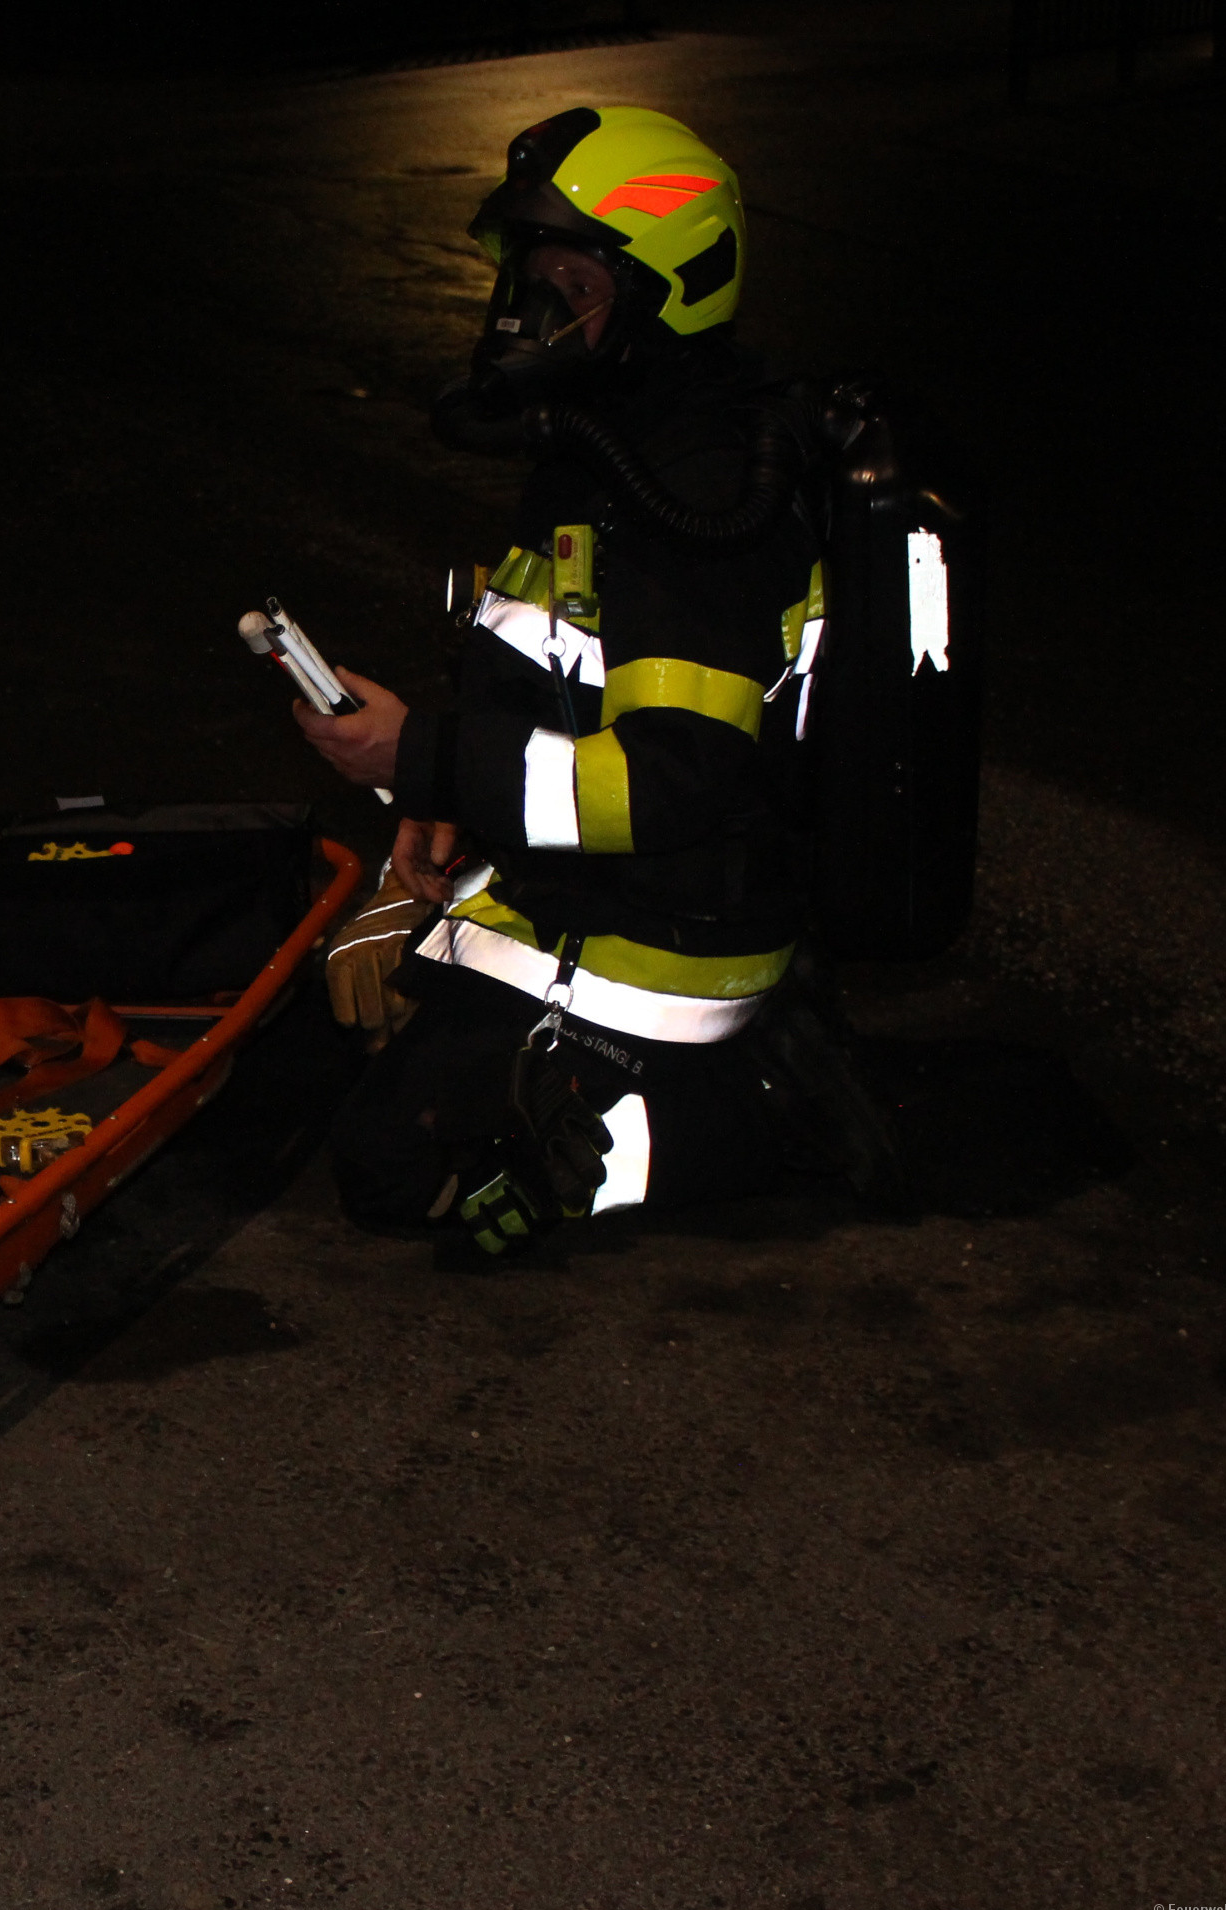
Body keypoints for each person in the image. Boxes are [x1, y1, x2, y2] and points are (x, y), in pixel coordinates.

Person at [298, 105, 879, 1256]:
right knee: (313, 1040)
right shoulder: (608, 442)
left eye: (573, 282)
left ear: (667, 291)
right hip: (586, 895)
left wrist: (422, 755)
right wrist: (444, 799)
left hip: (661, 951)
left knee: (400, 1166)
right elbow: (557, 682)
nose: (532, 310)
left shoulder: (696, 489)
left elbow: (671, 781)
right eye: (529, 276)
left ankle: (747, 1112)